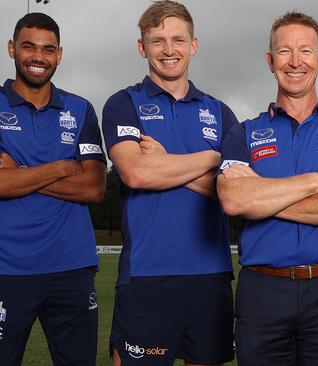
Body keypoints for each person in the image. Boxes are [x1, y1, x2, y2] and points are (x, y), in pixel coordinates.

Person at [216, 11, 318, 366]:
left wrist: (263, 196)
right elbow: (233, 198)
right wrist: (316, 182)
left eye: (305, 51)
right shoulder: (242, 133)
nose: (295, 62)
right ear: (270, 60)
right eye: (284, 51)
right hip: (262, 290)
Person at [101, 1, 238, 365]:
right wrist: (211, 158)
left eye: (178, 39)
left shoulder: (220, 112)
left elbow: (234, 191)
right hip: (147, 273)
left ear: (193, 45)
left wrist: (166, 161)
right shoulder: (123, 104)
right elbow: (137, 173)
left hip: (211, 274)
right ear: (141, 47)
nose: (168, 50)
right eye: (157, 40)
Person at [0, 12, 105, 366]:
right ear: (13, 49)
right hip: (9, 269)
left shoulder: (80, 109)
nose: (38, 57)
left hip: (73, 268)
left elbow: (93, 187)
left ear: (59, 55)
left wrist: (22, 174)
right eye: (28, 47)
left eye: (48, 49)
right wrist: (60, 168)